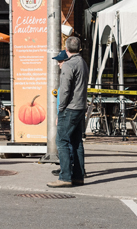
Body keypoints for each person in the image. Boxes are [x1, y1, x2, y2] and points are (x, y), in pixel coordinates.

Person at [48, 36, 88, 187]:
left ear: (66, 49)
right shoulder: (83, 62)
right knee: (76, 142)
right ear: (79, 48)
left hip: (70, 108)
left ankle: (64, 177)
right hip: (80, 107)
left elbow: (64, 90)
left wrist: (60, 109)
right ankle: (78, 176)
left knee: (62, 141)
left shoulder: (68, 64)